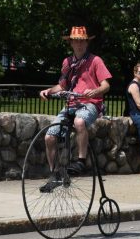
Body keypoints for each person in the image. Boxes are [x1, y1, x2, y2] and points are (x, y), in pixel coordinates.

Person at [39, 26, 112, 185]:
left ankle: (81, 160)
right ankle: (55, 174)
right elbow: (62, 86)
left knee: (79, 122)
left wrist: (95, 91)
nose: (79, 44)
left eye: (82, 41)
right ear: (71, 43)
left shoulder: (95, 60)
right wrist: (48, 91)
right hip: (71, 104)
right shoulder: (67, 62)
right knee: (49, 137)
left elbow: (106, 85)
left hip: (90, 104)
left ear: (87, 43)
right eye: (76, 41)